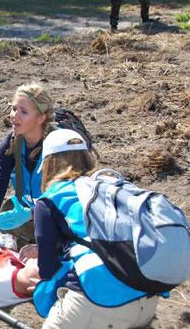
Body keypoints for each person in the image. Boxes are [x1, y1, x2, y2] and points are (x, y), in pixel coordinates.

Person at [32, 129, 158, 329]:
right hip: (147, 298)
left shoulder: (51, 200)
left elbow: (47, 270)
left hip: (97, 301)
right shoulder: (114, 185)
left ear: (49, 163)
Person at [0, 83, 55, 255]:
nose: (14, 116)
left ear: (41, 118)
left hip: (57, 217)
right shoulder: (11, 143)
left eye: (23, 112)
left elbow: (67, 203)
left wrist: (33, 215)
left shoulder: (57, 148)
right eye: (13, 109)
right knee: (5, 216)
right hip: (29, 211)